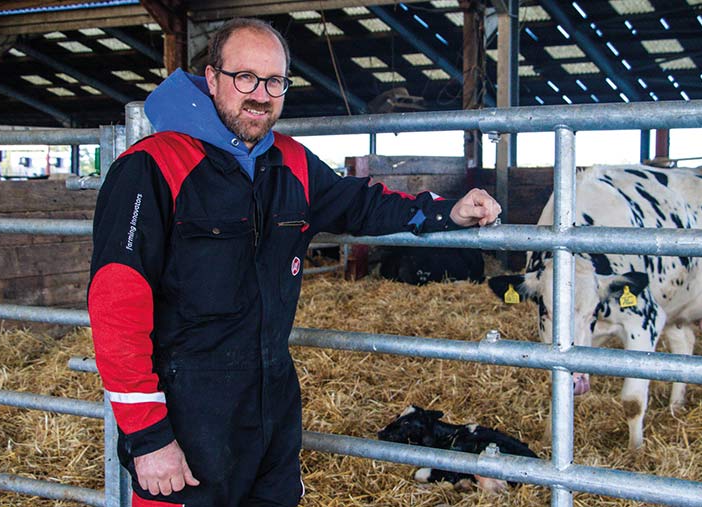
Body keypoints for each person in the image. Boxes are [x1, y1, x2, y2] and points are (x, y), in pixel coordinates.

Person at [87, 17, 501, 507]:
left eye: (275, 81)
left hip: (271, 406)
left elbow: (360, 204)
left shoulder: (292, 162)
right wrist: (148, 436)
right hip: (187, 415)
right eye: (245, 77)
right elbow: (116, 305)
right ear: (212, 78)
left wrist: (443, 212)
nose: (260, 94)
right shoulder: (152, 167)